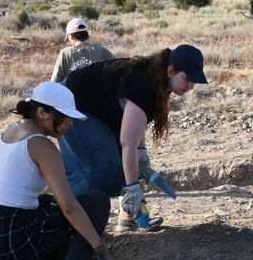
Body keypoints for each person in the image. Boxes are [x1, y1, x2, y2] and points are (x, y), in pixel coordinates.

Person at [0, 81, 119, 260]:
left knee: (45, 203)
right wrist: (98, 246)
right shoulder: (42, 146)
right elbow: (69, 207)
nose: (70, 122)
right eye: (66, 116)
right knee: (96, 202)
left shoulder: (6, 135)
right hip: (18, 254)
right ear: (43, 112)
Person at [59, 44, 207, 232]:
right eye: (187, 79)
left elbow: (137, 123)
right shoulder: (144, 84)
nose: (191, 86)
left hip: (99, 108)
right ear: (171, 70)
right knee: (95, 167)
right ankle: (76, 231)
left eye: (194, 81)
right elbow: (128, 143)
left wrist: (142, 154)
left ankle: (131, 216)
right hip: (72, 102)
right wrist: (132, 188)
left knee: (128, 162)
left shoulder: (159, 78)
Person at [51, 18, 114, 83]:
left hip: (73, 93)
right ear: (86, 34)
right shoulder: (103, 51)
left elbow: (55, 82)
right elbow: (117, 72)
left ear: (71, 36)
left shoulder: (65, 54)